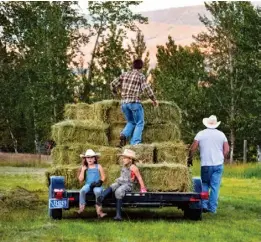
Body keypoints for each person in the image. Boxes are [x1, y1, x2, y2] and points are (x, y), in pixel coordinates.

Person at [110, 59, 159, 147]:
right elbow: (147, 89)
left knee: (131, 121)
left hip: (124, 104)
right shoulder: (141, 76)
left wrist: (115, 92)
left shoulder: (124, 74)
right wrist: (154, 99)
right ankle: (135, 143)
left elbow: (113, 84)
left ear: (132, 66)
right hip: (134, 103)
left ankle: (124, 135)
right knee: (140, 122)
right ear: (141, 67)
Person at [187, 115, 230, 214]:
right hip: (218, 164)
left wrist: (190, 158)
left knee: (205, 184)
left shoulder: (201, 134)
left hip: (206, 164)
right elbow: (227, 149)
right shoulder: (221, 134)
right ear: (216, 124)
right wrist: (222, 156)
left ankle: (204, 205)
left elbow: (193, 148)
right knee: (215, 187)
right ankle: (212, 208)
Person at [96, 149, 147, 221]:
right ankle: (101, 198)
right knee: (113, 185)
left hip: (128, 184)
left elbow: (139, 177)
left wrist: (143, 188)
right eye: (123, 158)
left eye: (125, 158)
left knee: (118, 191)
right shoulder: (124, 166)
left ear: (130, 159)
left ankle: (118, 215)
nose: (123, 159)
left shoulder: (133, 167)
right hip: (121, 181)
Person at [78, 149, 107, 218]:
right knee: (82, 191)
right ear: (85, 159)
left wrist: (100, 182)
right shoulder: (84, 167)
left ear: (95, 159)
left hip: (96, 185)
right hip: (88, 184)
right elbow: (80, 179)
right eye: (88, 157)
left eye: (92, 157)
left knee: (97, 192)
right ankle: (82, 207)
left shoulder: (98, 166)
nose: (90, 159)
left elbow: (103, 177)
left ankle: (99, 211)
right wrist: (83, 170)